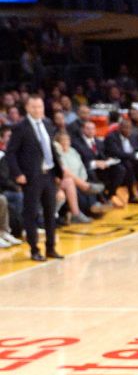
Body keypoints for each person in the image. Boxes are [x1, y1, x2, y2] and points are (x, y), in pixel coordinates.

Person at [9, 94, 62, 261]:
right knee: (31, 214)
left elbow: (50, 149)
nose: (38, 110)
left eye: (40, 107)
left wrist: (59, 171)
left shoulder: (47, 124)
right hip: (32, 177)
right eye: (34, 107)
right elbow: (10, 154)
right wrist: (18, 173)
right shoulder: (20, 127)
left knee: (50, 213)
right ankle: (34, 249)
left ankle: (51, 248)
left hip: (49, 174)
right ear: (27, 108)